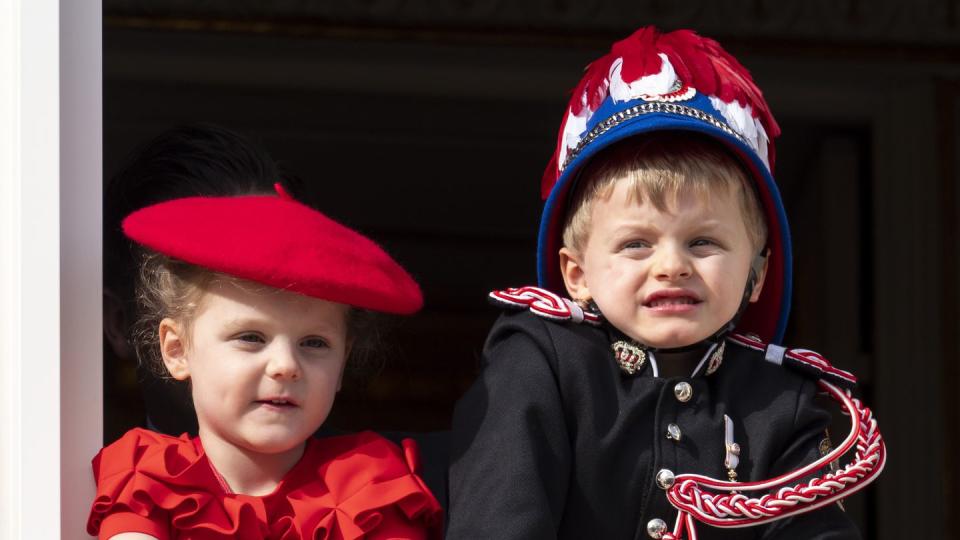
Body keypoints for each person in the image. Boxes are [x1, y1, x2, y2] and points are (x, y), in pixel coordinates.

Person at [447, 27, 884, 540]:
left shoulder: (781, 403)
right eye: (636, 244)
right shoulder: (541, 363)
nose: (672, 265)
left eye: (703, 243)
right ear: (577, 274)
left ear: (756, 274)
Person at [88, 184, 443, 539]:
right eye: (251, 337)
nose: (285, 365)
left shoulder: (371, 485)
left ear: (343, 361)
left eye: (314, 343)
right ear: (177, 350)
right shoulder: (149, 476)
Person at [103, 123, 295, 439]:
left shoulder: (385, 481)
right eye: (198, 280)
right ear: (119, 322)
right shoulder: (70, 485)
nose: (283, 362)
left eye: (277, 274)